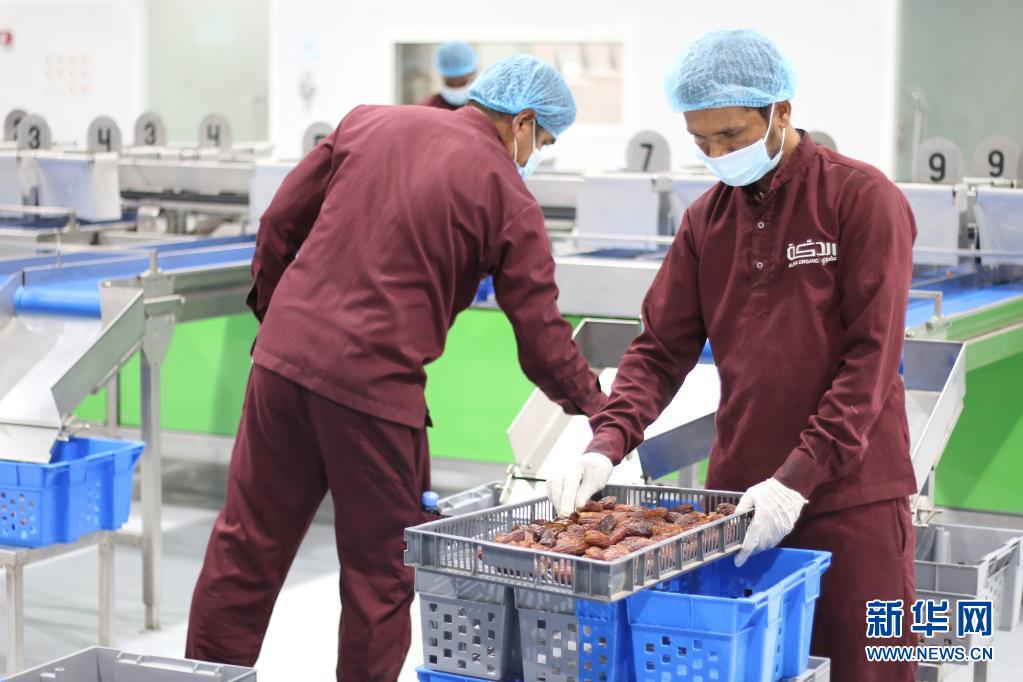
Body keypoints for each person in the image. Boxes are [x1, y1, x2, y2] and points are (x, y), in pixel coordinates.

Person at [186, 54, 605, 682]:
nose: (536, 155)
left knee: (245, 547)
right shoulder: (509, 197)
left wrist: (281, 321)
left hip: (279, 369)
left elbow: (277, 223)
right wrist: (602, 410)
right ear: (522, 121)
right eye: (542, 141)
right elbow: (542, 342)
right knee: (380, 576)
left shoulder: (368, 122)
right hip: (374, 395)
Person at [546, 29, 918, 682]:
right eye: (702, 141)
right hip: (740, 507)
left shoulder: (860, 199)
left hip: (849, 499)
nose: (718, 153)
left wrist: (796, 479)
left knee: (864, 669)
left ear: (781, 111)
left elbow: (870, 360)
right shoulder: (706, 222)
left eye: (731, 135)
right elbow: (658, 351)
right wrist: (606, 441)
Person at [419, 41, 478, 110]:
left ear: (472, 74)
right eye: (450, 83)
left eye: (462, 83)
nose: (456, 89)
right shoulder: (426, 108)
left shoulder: (481, 109)